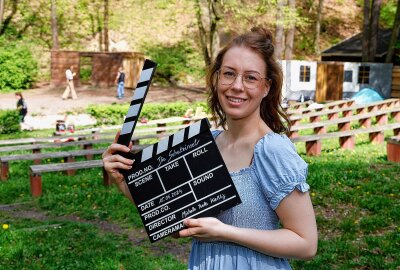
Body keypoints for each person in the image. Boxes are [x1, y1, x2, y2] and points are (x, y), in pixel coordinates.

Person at [102, 26, 318, 269]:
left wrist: (226, 232)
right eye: (228, 74)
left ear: (266, 87)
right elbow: (177, 226)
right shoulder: (206, 145)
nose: (237, 85)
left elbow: (306, 243)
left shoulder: (272, 150)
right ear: (217, 79)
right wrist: (123, 180)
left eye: (250, 77)